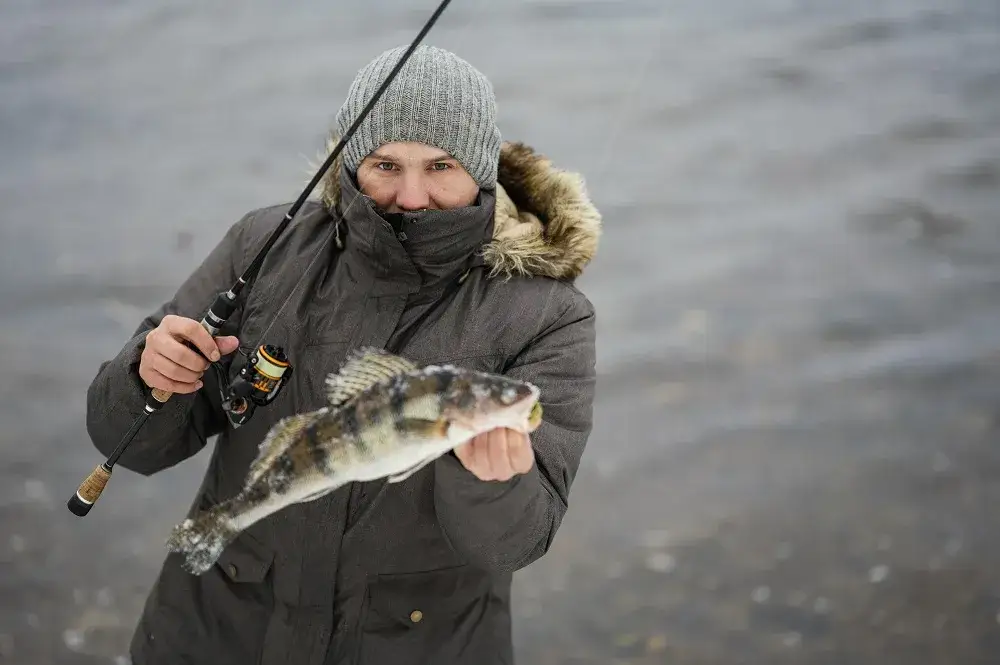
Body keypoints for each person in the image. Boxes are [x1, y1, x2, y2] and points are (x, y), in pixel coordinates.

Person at [86, 44, 601, 665]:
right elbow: (134, 444)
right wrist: (150, 377)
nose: (412, 196)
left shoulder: (550, 315)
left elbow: (514, 542)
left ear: (483, 167)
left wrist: (491, 485)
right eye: (386, 163)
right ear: (353, 161)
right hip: (216, 635)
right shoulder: (262, 246)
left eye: (442, 165)